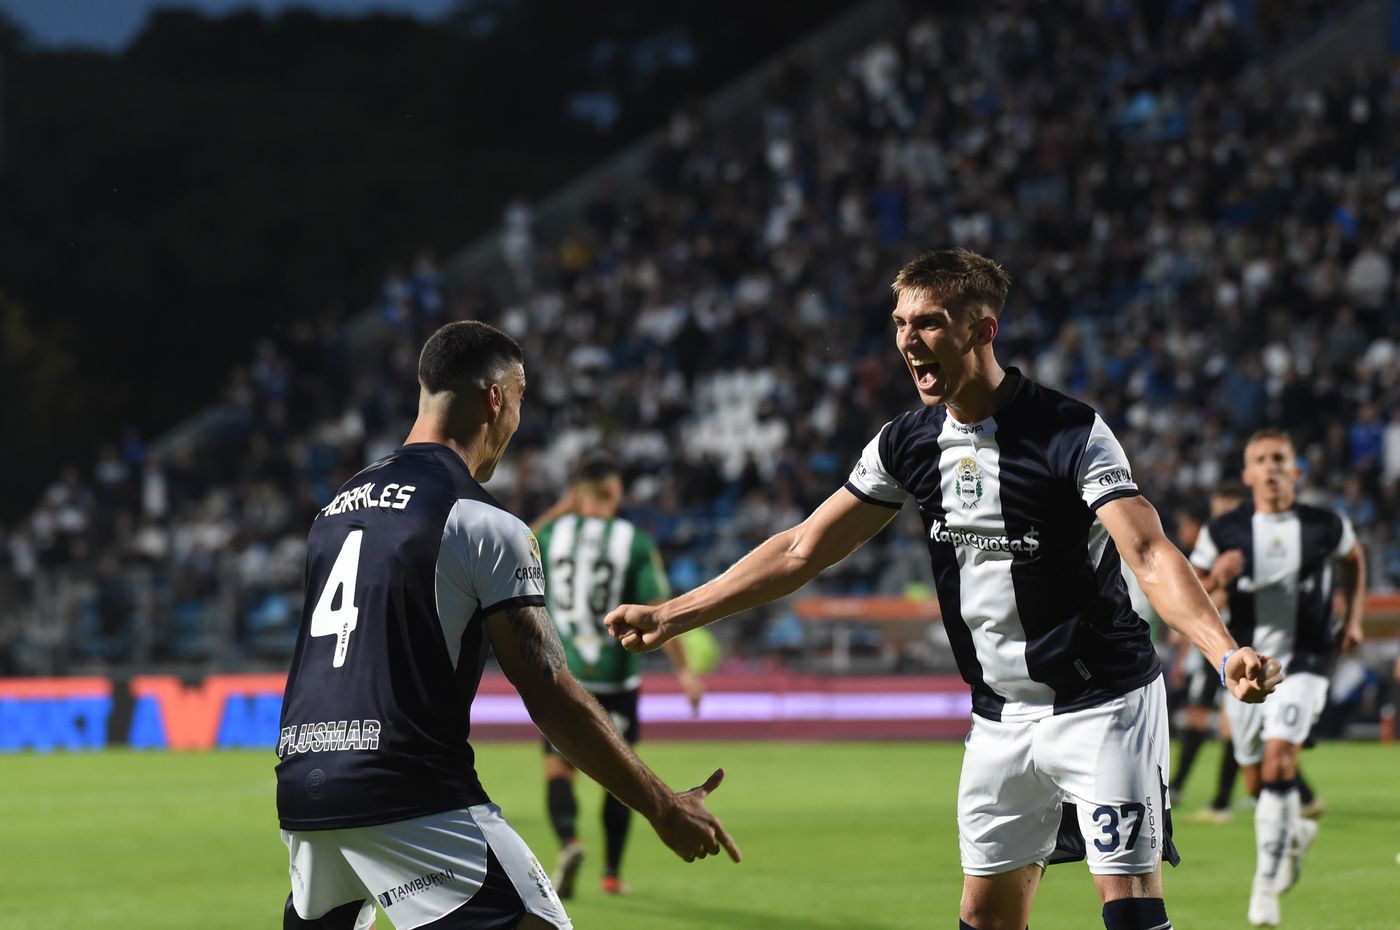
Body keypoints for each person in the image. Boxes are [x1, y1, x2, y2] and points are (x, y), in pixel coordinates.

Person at [605, 248, 1281, 930]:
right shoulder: (907, 442)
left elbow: (1147, 550)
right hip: (997, 717)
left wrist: (1224, 653)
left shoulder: (1070, 432)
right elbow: (802, 547)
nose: (906, 340)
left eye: (928, 322)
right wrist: (673, 614)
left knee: (1130, 907)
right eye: (900, 323)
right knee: (985, 918)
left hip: (1101, 702)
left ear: (983, 330)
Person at [275, 321, 739, 930]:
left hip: (304, 787)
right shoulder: (482, 521)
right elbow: (546, 689)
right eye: (521, 397)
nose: (519, 421)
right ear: (496, 397)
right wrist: (663, 805)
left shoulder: (333, 511)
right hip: (408, 788)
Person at [1189, 429, 1365, 927]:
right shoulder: (1223, 530)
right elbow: (1189, 592)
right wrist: (1217, 578)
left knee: (1280, 757)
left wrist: (1351, 618)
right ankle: (1292, 835)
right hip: (1245, 665)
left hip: (1307, 659)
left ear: (1297, 471)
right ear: (1247, 475)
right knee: (1255, 778)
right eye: (1260, 460)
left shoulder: (1325, 525)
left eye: (1279, 459)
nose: (1270, 468)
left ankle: (1265, 886)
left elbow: (1354, 561)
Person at [530, 450, 705, 899]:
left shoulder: (551, 535)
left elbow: (517, 548)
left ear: (577, 492)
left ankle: (569, 842)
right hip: (617, 678)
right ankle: (611, 874)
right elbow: (659, 612)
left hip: (562, 674)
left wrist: (557, 510)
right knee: (622, 774)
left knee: (558, 770)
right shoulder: (633, 540)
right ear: (613, 491)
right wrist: (684, 673)